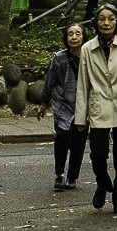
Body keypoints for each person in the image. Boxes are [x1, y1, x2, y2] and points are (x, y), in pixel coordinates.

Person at [73, 4, 117, 213]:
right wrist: (80, 118)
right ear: (96, 22)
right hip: (98, 106)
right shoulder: (87, 49)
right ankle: (102, 184)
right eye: (102, 18)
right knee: (98, 155)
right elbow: (83, 84)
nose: (106, 23)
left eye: (111, 18)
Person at [36, 22, 87, 191]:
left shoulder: (90, 56)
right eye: (70, 34)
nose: (74, 37)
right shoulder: (59, 58)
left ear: (83, 37)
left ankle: (73, 176)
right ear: (65, 38)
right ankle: (59, 174)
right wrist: (44, 104)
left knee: (79, 143)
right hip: (62, 105)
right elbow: (50, 82)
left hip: (82, 105)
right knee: (63, 139)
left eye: (77, 34)